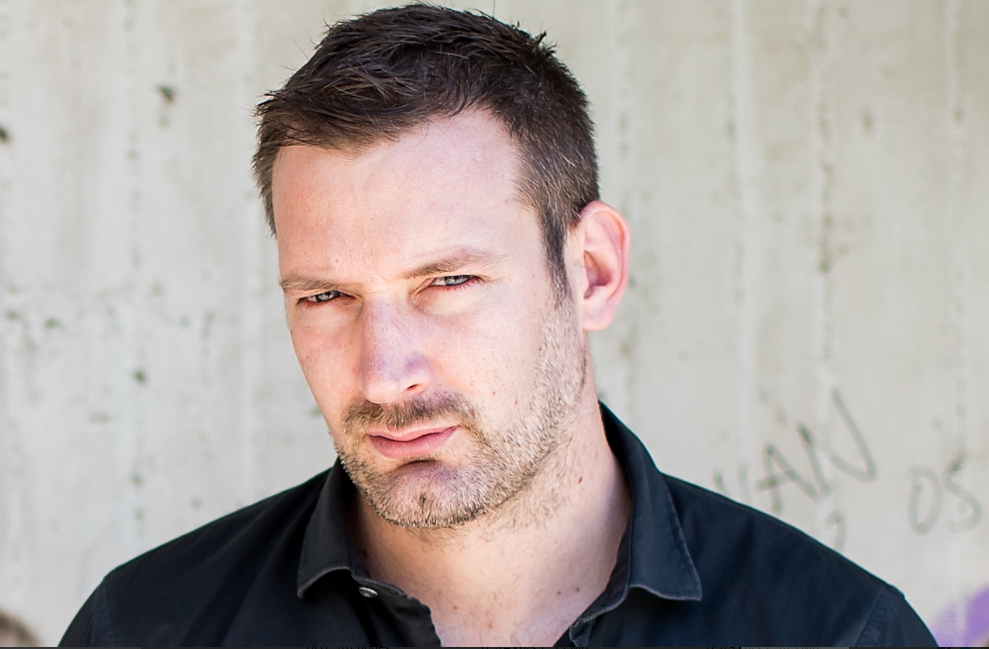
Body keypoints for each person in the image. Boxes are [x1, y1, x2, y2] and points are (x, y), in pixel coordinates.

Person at [61, 5, 936, 646]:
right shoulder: (144, 628)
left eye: (448, 281)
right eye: (326, 296)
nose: (382, 373)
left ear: (591, 270)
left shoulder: (836, 632)